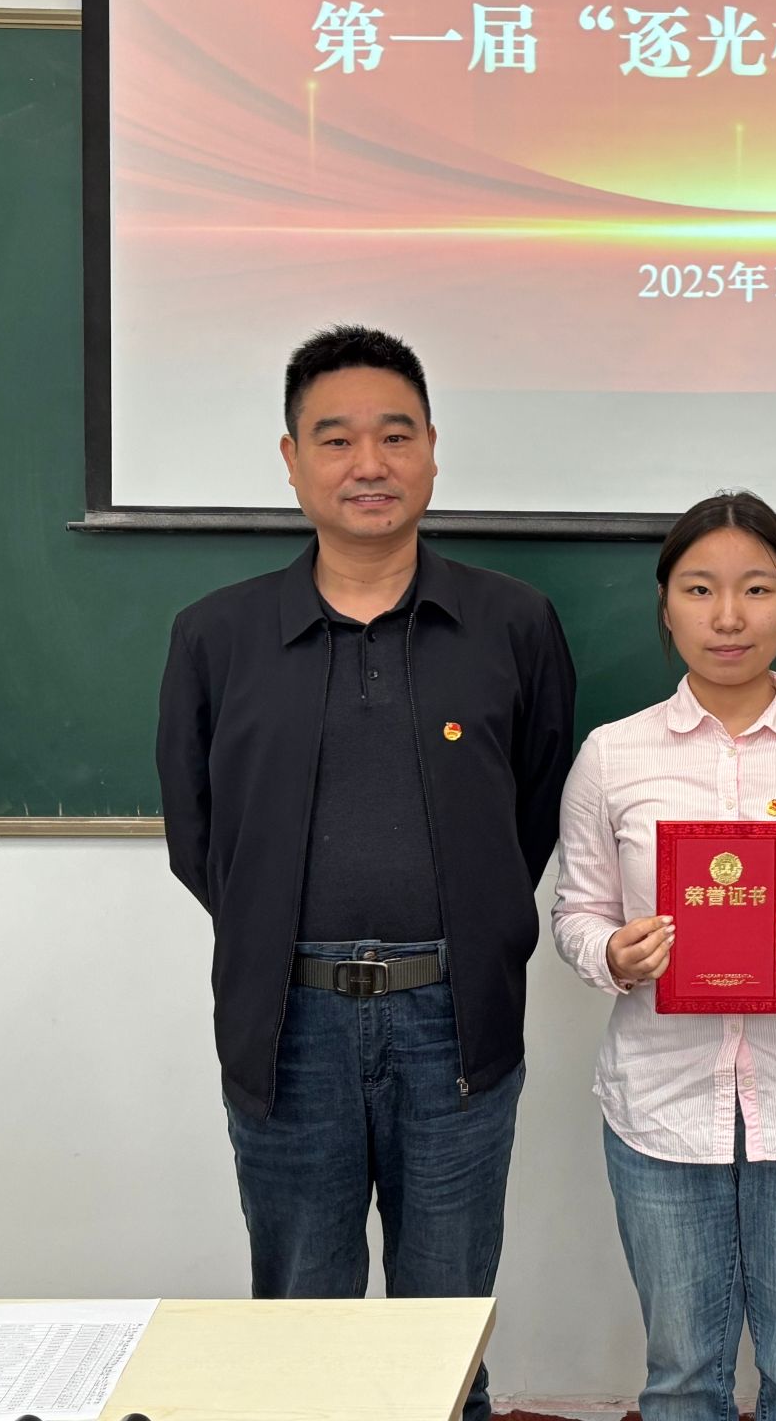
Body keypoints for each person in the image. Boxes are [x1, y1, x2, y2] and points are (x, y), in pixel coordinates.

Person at [155, 325, 575, 1421]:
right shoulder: (216, 637)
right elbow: (200, 839)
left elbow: (530, 812)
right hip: (288, 1026)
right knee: (303, 1328)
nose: (369, 464)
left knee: (445, 1333)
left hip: (455, 1022)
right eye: (335, 439)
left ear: (432, 449)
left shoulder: (513, 624)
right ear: (291, 461)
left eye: (395, 435)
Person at [551, 491, 776, 1421]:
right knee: (680, 1375)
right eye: (701, 589)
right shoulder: (612, 757)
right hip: (661, 1102)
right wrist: (613, 954)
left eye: (757, 588)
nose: (730, 616)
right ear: (666, 605)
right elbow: (576, 910)